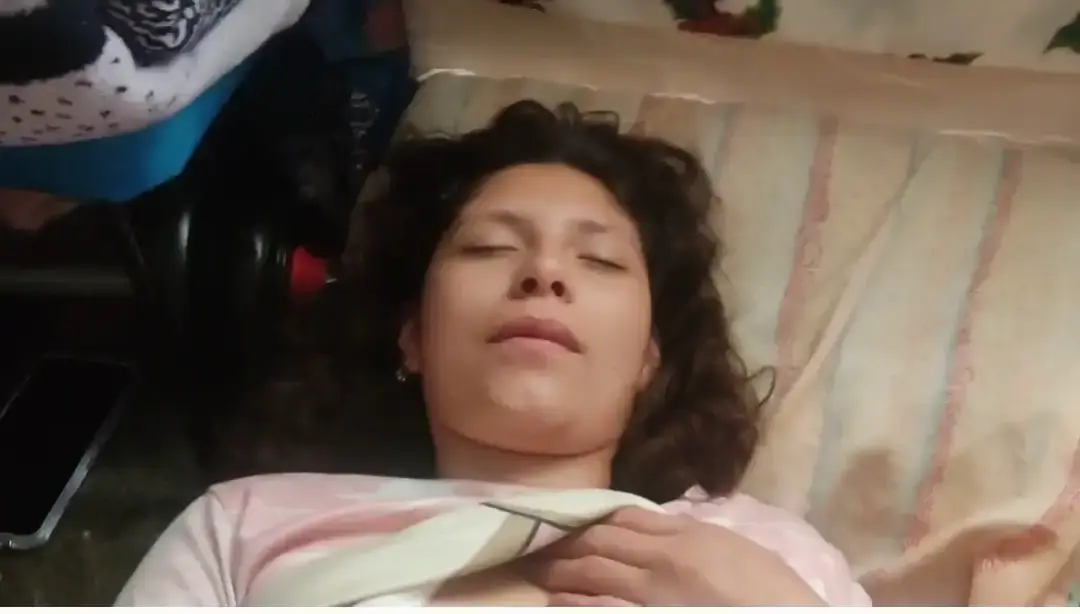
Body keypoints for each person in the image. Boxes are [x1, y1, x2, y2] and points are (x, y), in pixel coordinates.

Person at [115, 100, 870, 606]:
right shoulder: (242, 526)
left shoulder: (770, 557)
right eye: (488, 247)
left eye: (600, 260)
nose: (544, 273)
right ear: (412, 335)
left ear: (649, 360)